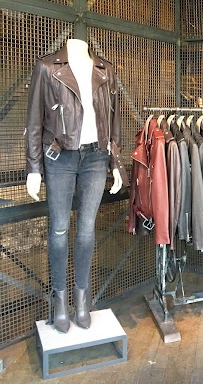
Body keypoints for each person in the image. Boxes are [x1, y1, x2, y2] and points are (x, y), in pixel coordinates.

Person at [25, 39, 128, 333]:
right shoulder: (47, 67)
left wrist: (115, 162)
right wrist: (34, 168)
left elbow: (113, 119)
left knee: (86, 229)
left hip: (96, 157)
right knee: (59, 229)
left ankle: (82, 298)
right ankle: (60, 300)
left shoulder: (105, 69)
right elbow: (34, 120)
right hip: (59, 157)